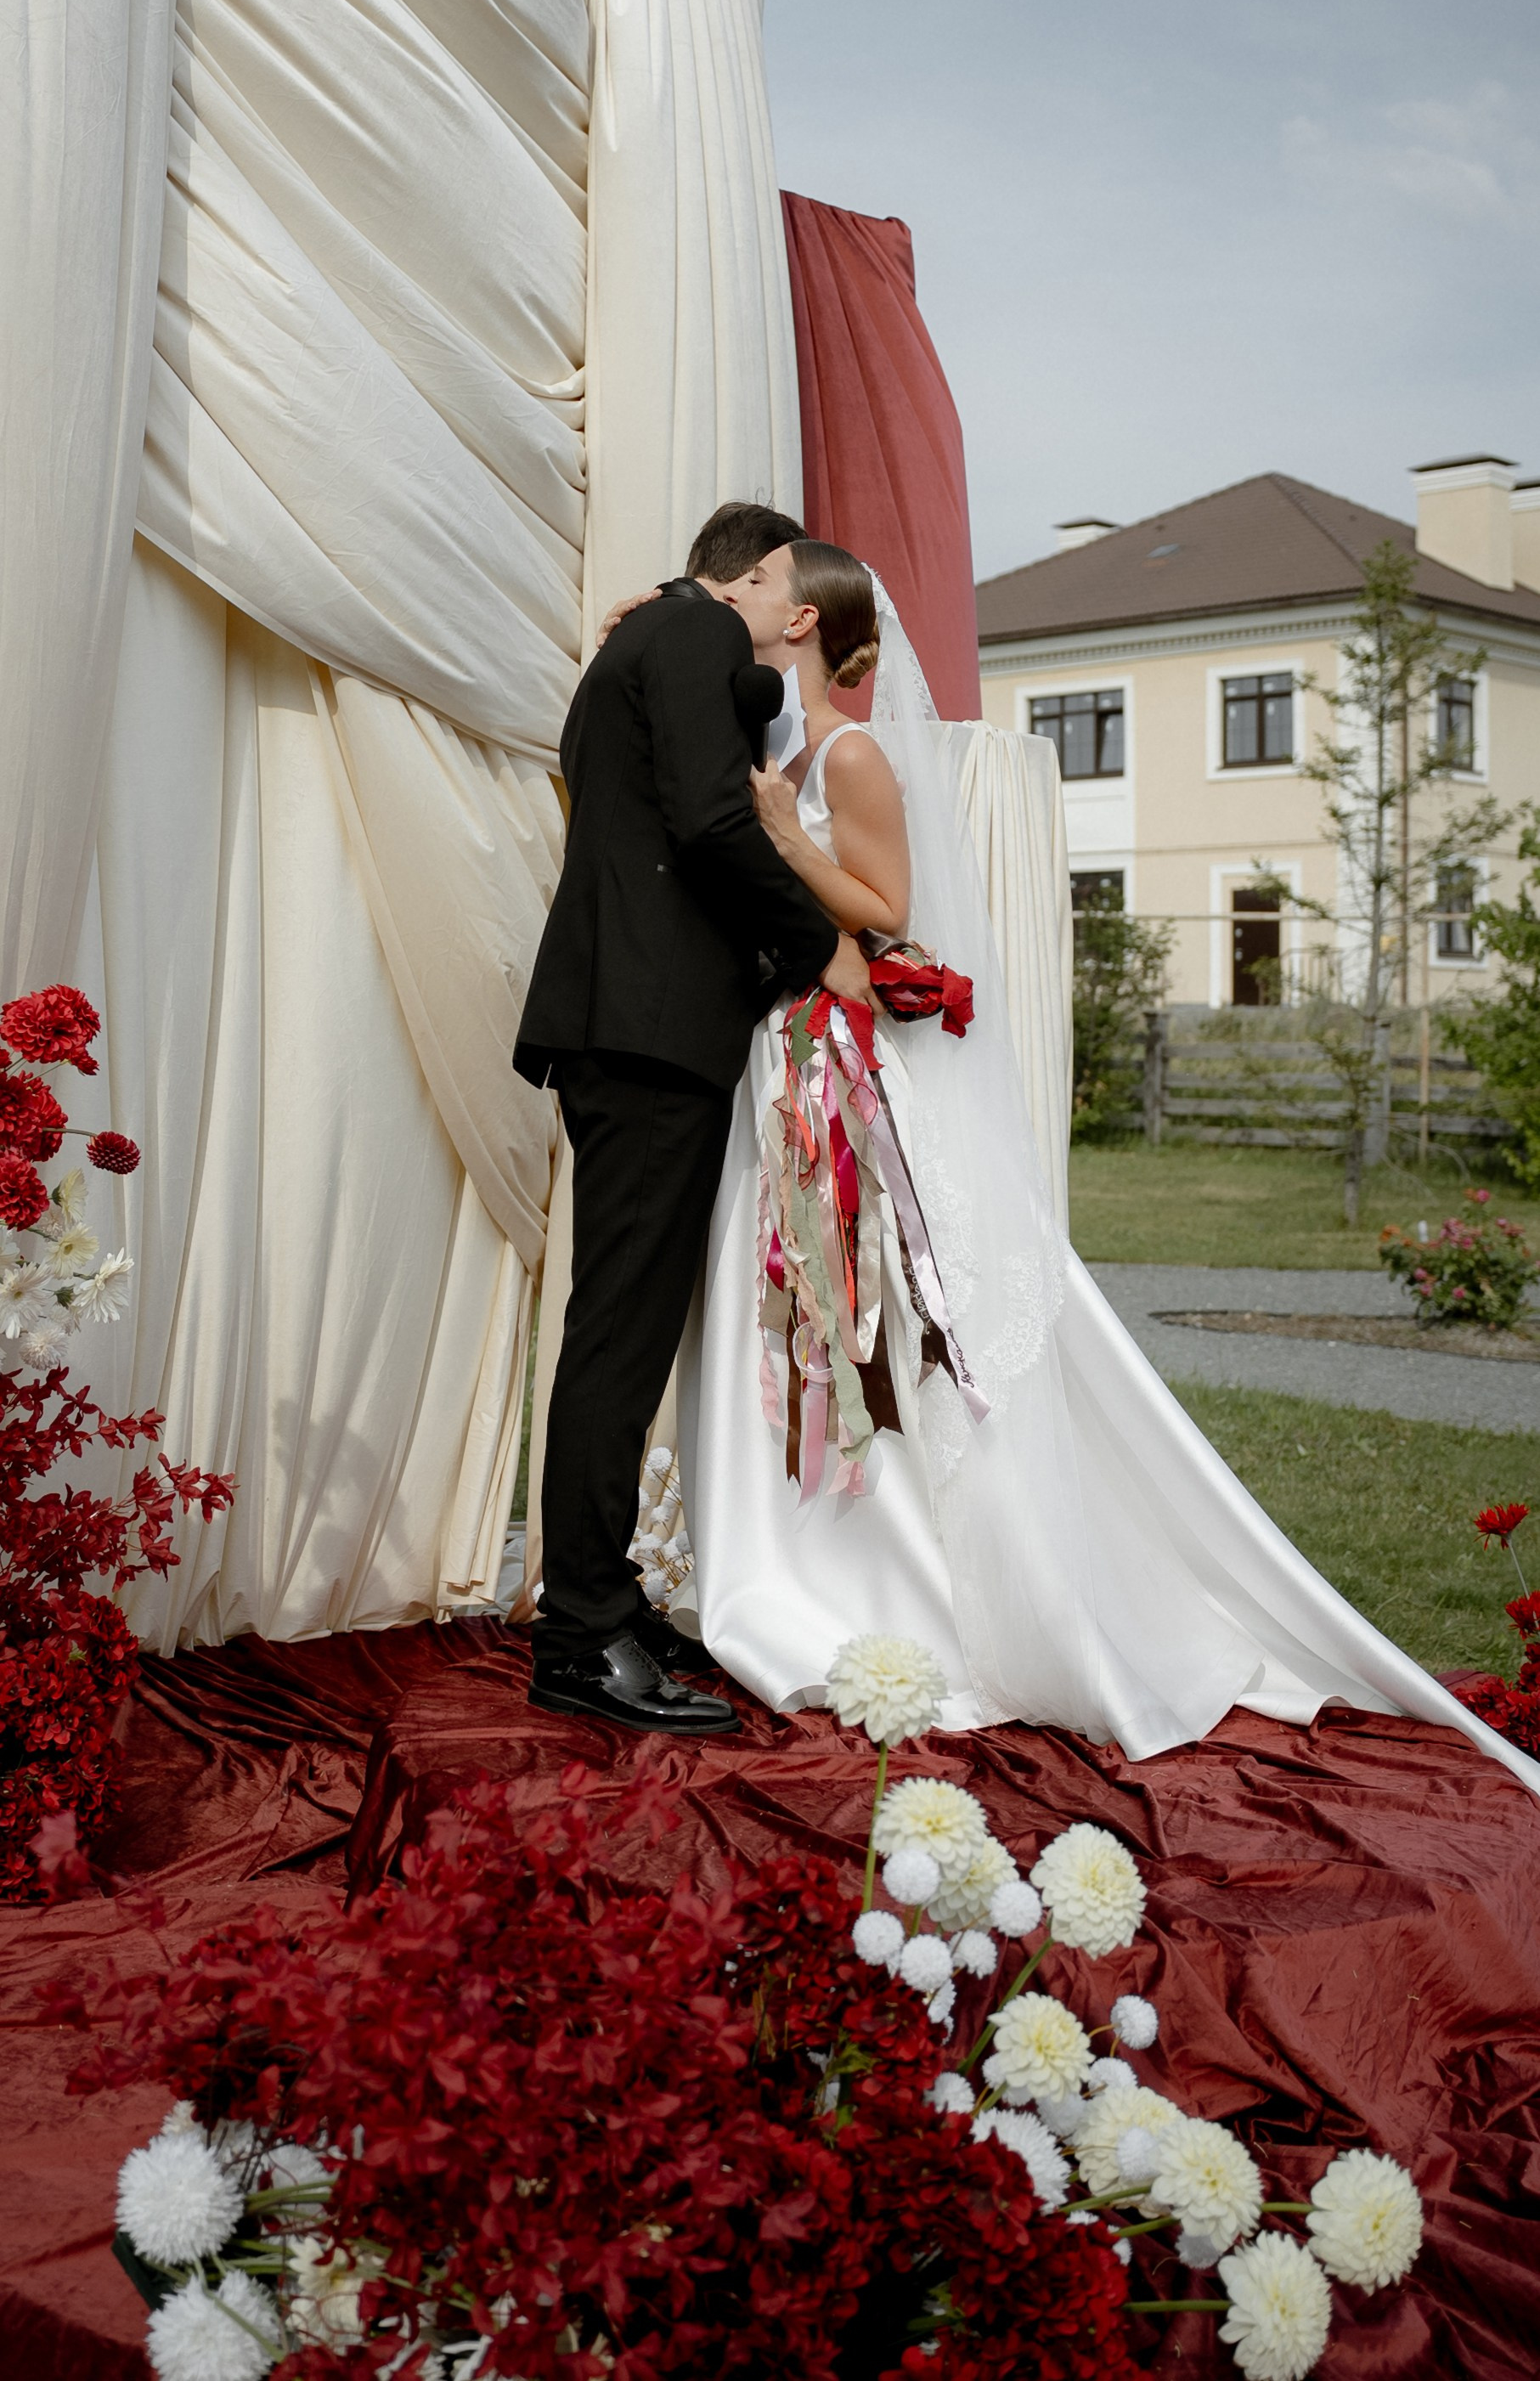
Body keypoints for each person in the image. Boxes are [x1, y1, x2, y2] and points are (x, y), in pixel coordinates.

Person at [668, 536, 1540, 1796]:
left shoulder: (846, 755)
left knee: (902, 1320)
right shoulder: (775, 752)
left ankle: (941, 1587)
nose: (734, 593)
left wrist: (776, 840)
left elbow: (886, 905)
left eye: (755, 583)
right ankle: (809, 1571)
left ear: (801, 620)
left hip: (846, 1077)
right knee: (811, 1318)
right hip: (785, 1065)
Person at [512, 504, 869, 1735]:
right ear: (752, 575)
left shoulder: (654, 641)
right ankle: (580, 1637)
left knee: (626, 1327)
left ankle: (603, 1599)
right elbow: (711, 820)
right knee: (619, 1334)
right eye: (780, 584)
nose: (786, 612)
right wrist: (819, 945)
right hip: (647, 1028)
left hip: (631, 1023)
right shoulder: (693, 632)